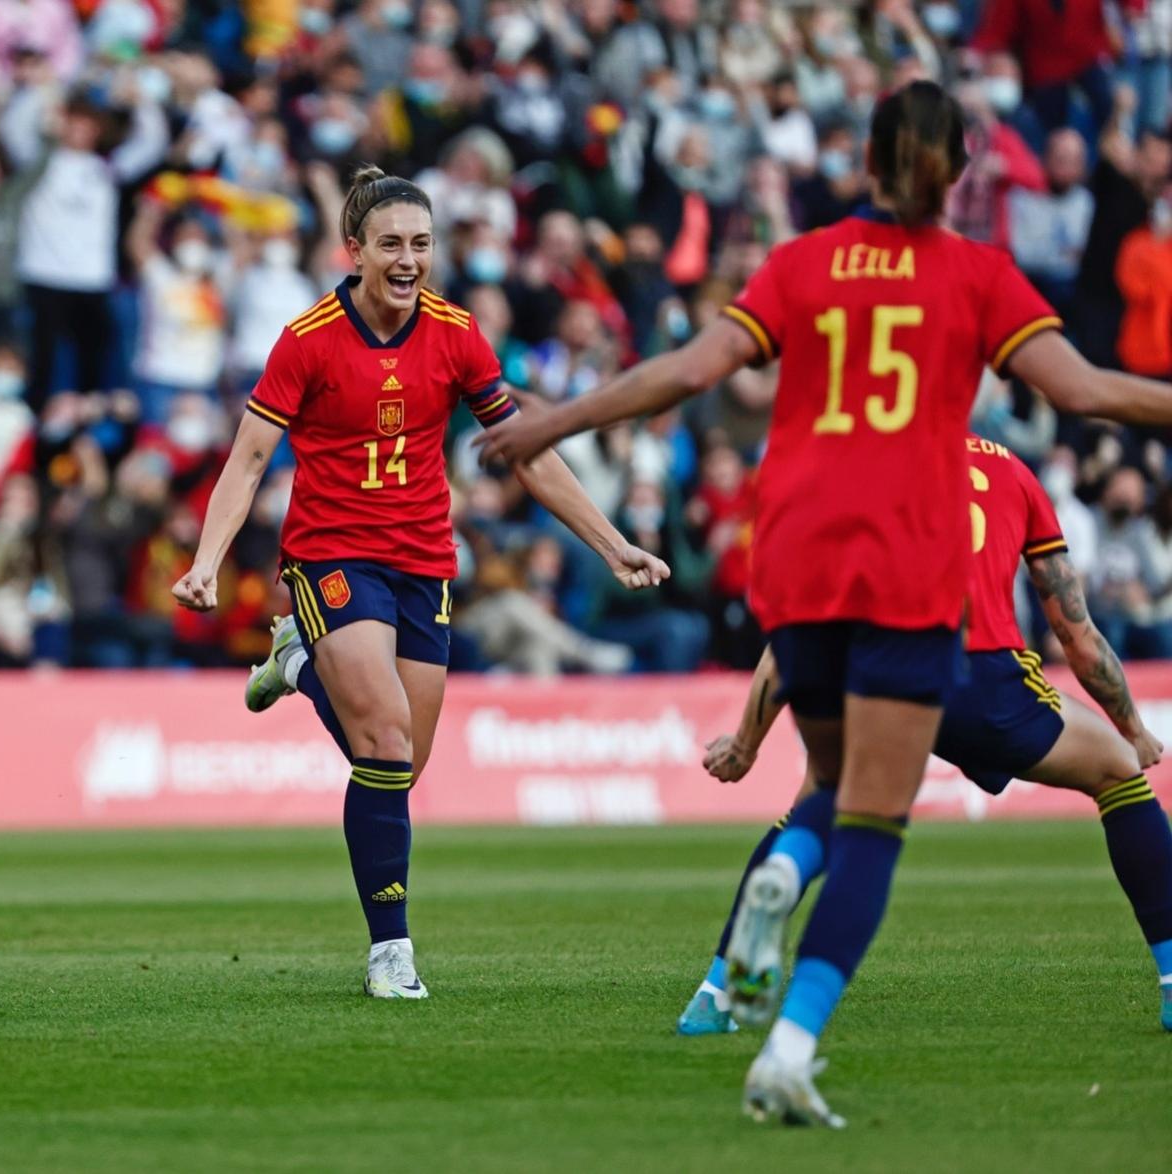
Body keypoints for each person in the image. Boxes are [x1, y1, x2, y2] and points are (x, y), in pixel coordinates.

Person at [479, 81, 1172, 1126]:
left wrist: (547, 425)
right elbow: (1082, 392)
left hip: (795, 561)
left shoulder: (799, 263)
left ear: (866, 161)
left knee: (826, 789)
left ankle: (757, 915)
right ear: (957, 172)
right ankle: (790, 1047)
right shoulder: (976, 275)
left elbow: (685, 369)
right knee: (874, 823)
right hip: (905, 572)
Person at [171, 165, 668, 999]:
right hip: (332, 555)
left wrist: (610, 543)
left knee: (400, 765)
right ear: (354, 251)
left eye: (422, 244)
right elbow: (251, 455)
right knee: (385, 741)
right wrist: (208, 560)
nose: (409, 260)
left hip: (424, 560)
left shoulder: (459, 334)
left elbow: (526, 455)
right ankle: (390, 951)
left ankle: (298, 664)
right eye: (392, 244)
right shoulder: (307, 339)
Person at [678, 434, 1172, 1039]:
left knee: (823, 810)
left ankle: (716, 993)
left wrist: (745, 743)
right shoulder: (1010, 470)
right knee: (1119, 770)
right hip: (982, 675)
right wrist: (1135, 729)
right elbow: (1076, 632)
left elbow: (796, 628)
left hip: (876, 669)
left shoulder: (855, 468)